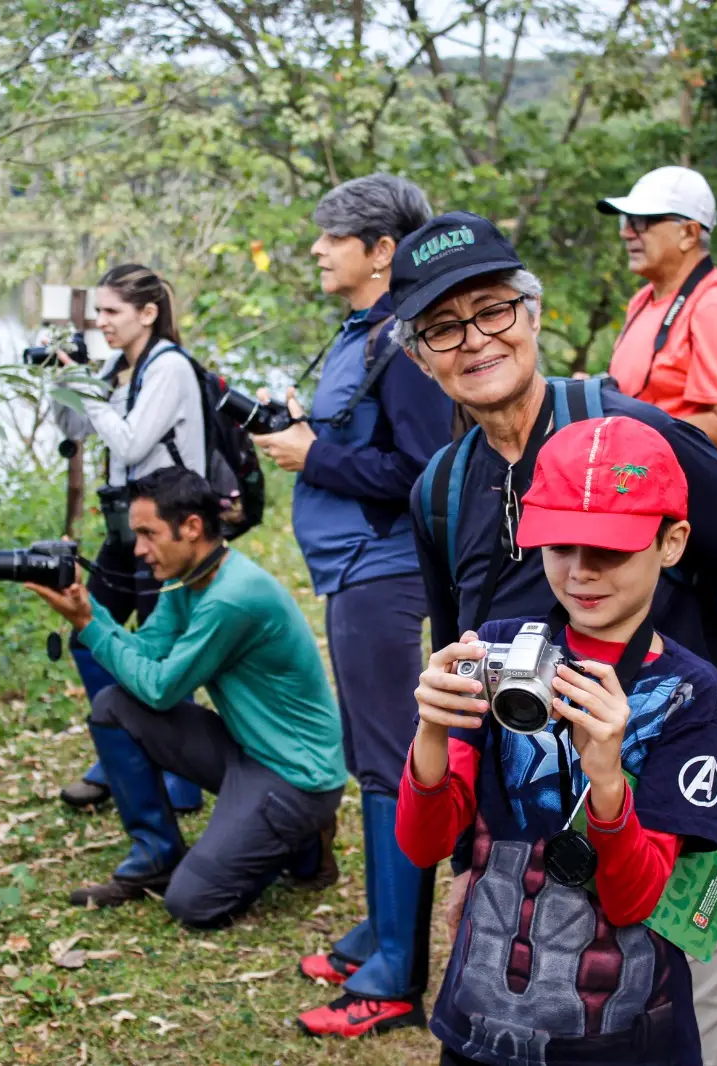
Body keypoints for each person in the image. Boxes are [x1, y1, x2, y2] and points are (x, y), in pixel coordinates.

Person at [392, 211, 717, 1066]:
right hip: (529, 841)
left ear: (534, 314)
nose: (474, 340)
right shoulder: (441, 490)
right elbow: (459, 658)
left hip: (678, 801)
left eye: (494, 311)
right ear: (420, 356)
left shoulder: (641, 438)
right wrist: (472, 862)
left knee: (699, 1032)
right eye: (443, 327)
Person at [397, 415, 717, 1065]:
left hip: (622, 1036)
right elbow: (424, 844)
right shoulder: (496, 648)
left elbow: (638, 900)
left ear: (672, 542)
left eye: (610, 547)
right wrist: (431, 734)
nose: (582, 571)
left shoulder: (691, 693)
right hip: (481, 1019)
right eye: (560, 545)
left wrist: (607, 778)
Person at [249, 174, 454, 1038]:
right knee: (375, 756)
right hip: (349, 567)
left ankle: (396, 977)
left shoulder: (406, 344)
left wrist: (313, 457)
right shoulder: (364, 333)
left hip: (382, 568)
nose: (317, 249)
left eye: (333, 236)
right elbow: (363, 439)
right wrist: (309, 429)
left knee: (385, 764)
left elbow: (421, 473)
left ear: (381, 252)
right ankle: (380, 929)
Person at [28, 467, 348, 924]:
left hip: (295, 776)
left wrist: (88, 627)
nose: (138, 549)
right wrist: (89, 610)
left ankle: (303, 840)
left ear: (192, 527)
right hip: (245, 751)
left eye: (148, 534)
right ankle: (156, 855)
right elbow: (148, 654)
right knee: (113, 707)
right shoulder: (189, 580)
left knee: (193, 903)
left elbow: (161, 690)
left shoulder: (231, 597)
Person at [54, 263, 202, 816]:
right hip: (125, 528)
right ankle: (121, 752)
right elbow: (75, 432)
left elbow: (134, 443)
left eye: (112, 311)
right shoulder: (120, 367)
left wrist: (90, 393)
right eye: (98, 312)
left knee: (163, 653)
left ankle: (179, 779)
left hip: (169, 531)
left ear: (148, 313)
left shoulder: (169, 367)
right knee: (88, 635)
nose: (102, 323)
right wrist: (65, 387)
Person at [599, 166, 717, 490]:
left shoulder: (715, 307)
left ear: (688, 234)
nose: (626, 233)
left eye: (642, 222)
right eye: (625, 221)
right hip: (650, 493)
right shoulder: (642, 301)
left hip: (702, 504)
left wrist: (629, 425)